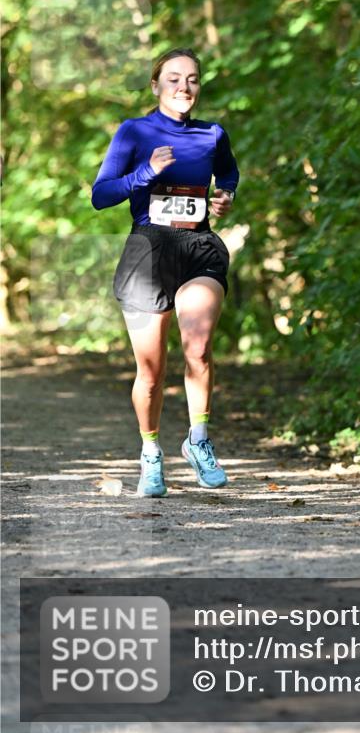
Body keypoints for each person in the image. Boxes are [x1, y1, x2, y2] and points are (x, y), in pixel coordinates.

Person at [91, 47, 240, 497]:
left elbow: (228, 175)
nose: (184, 87)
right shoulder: (134, 132)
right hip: (147, 251)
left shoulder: (213, 135)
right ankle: (151, 452)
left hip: (199, 246)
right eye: (173, 78)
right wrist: (146, 173)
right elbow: (101, 196)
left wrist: (225, 197)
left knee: (198, 345)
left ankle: (198, 441)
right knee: (151, 372)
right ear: (156, 86)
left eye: (192, 79)